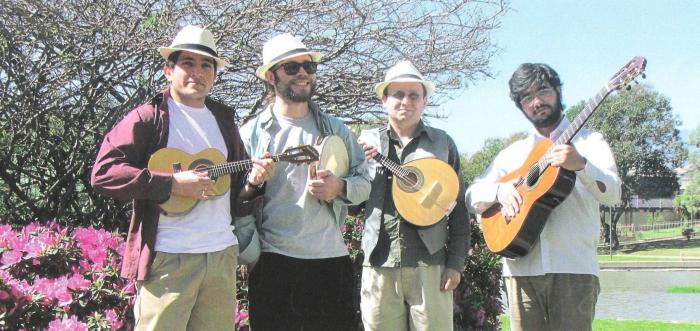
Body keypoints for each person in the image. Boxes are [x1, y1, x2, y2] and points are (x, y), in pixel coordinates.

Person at [90, 25, 275, 330]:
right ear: (168, 70)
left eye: (206, 65)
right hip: (168, 257)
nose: (197, 72)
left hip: (220, 256)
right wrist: (172, 184)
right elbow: (104, 173)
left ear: (214, 74)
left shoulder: (225, 120)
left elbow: (238, 197)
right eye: (187, 63)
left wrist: (255, 182)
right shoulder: (149, 117)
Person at [466, 63, 621, 331]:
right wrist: (499, 191)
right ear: (521, 106)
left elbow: (614, 195)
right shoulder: (513, 154)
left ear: (558, 91)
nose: (537, 102)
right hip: (520, 272)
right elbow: (471, 195)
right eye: (527, 97)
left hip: (574, 268)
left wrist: (582, 165)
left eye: (543, 91)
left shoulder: (590, 142)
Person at [238, 33, 371, 331]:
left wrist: (339, 188)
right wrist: (249, 252)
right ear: (271, 76)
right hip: (274, 263)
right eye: (292, 67)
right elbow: (236, 201)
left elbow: (365, 183)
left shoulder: (336, 128)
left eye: (309, 66)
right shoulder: (251, 134)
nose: (303, 73)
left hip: (331, 262)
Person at [357, 60, 469, 331]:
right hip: (379, 263)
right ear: (384, 99)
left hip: (430, 264)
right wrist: (357, 163)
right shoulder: (364, 142)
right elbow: (350, 201)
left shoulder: (443, 143)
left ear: (424, 101)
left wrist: (455, 262)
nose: (405, 101)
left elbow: (459, 208)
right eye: (398, 94)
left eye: (413, 95)